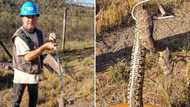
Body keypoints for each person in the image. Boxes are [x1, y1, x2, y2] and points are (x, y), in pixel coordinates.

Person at [11, 1, 56, 107]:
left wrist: (50, 41)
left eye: (33, 16)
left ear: (37, 17)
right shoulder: (19, 36)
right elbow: (28, 57)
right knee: (16, 101)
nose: (30, 20)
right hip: (21, 73)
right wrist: (45, 47)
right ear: (22, 18)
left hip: (34, 72)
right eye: (27, 17)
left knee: (33, 101)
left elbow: (41, 46)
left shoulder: (38, 33)